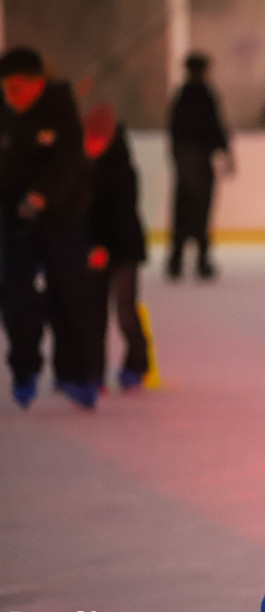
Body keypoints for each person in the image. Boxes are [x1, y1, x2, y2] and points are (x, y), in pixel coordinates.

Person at [0, 46, 98, 409]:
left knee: (70, 295)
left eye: (22, 86)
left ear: (39, 83)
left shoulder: (60, 106)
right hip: (14, 220)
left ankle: (75, 373)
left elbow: (70, 161)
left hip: (62, 217)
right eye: (8, 87)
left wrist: (42, 196)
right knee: (17, 299)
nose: (15, 95)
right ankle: (24, 369)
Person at [82, 103, 149, 390]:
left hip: (123, 250)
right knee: (93, 315)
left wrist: (103, 246)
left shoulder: (123, 171)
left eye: (99, 140)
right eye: (89, 139)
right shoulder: (77, 168)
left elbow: (120, 215)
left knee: (125, 311)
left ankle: (137, 363)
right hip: (92, 251)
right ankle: (93, 372)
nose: (93, 145)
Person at [167, 52, 233, 280]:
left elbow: (174, 131)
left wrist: (177, 158)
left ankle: (177, 260)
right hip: (199, 162)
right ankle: (199, 260)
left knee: (183, 211)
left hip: (186, 161)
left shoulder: (183, 96)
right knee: (199, 211)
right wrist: (225, 152)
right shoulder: (204, 95)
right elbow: (215, 127)